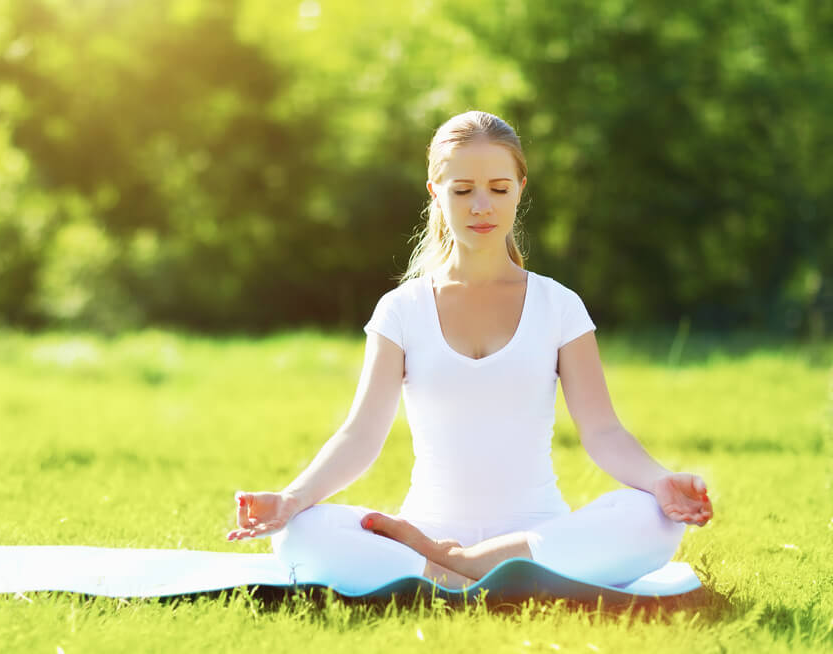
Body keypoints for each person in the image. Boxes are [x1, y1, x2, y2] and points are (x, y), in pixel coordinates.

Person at [226, 110, 713, 594]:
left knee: (653, 517)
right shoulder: (401, 309)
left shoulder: (559, 305)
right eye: (463, 191)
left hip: (538, 538)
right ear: (436, 192)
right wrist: (292, 500)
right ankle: (484, 578)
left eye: (499, 189)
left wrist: (659, 480)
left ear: (521, 188)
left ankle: (454, 571)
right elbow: (360, 435)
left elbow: (603, 430)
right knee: (300, 531)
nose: (482, 206)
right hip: (424, 532)